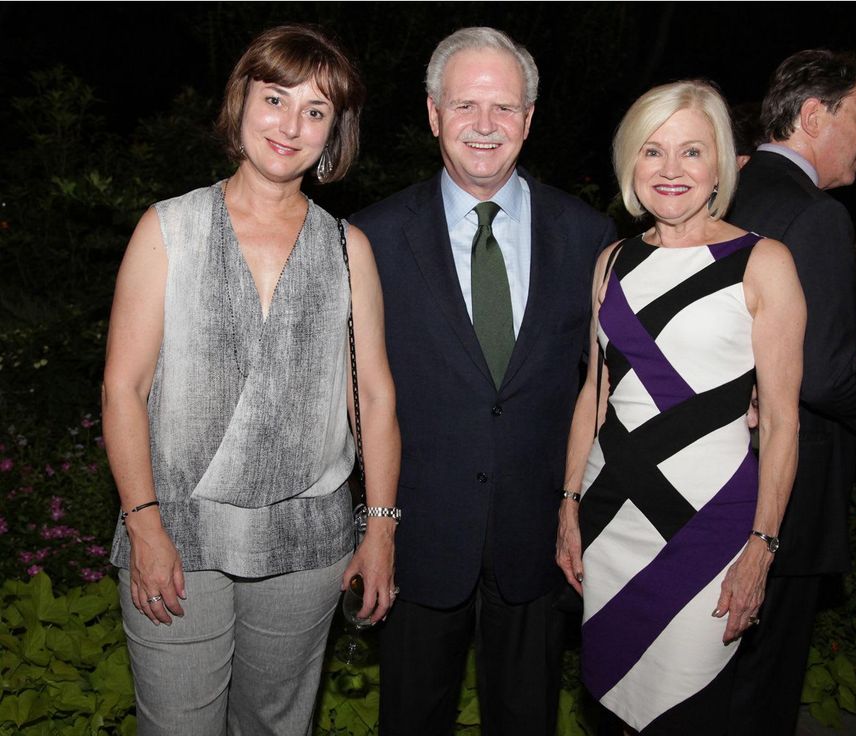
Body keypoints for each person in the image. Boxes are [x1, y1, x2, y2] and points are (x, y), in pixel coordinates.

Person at [102, 24, 400, 735]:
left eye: (316, 110)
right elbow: (122, 389)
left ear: (334, 134)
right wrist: (145, 526)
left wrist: (381, 529)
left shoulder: (348, 248)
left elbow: (375, 396)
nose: (291, 125)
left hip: (307, 540)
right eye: (276, 98)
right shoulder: (167, 228)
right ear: (242, 104)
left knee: (275, 726)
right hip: (178, 529)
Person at [351, 26, 617, 736]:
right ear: (433, 114)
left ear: (529, 119)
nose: (484, 126)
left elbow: (611, 377)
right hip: (418, 537)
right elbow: (351, 393)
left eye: (503, 108)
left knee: (528, 719)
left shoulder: (589, 236)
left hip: (540, 537)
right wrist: (372, 526)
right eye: (465, 105)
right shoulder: (370, 238)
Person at [556, 79, 806, 734]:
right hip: (610, 520)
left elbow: (781, 422)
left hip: (712, 531)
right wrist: (568, 502)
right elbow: (596, 393)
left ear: (720, 163)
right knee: (609, 710)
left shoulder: (763, 263)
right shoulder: (611, 260)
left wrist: (763, 544)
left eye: (691, 152)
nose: (670, 171)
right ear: (631, 164)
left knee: (689, 713)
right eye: (653, 151)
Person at [723, 49, 856, 735]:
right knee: (764, 690)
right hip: (784, 495)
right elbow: (821, 375)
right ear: (814, 114)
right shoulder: (815, 215)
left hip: (706, 475)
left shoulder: (720, 189)